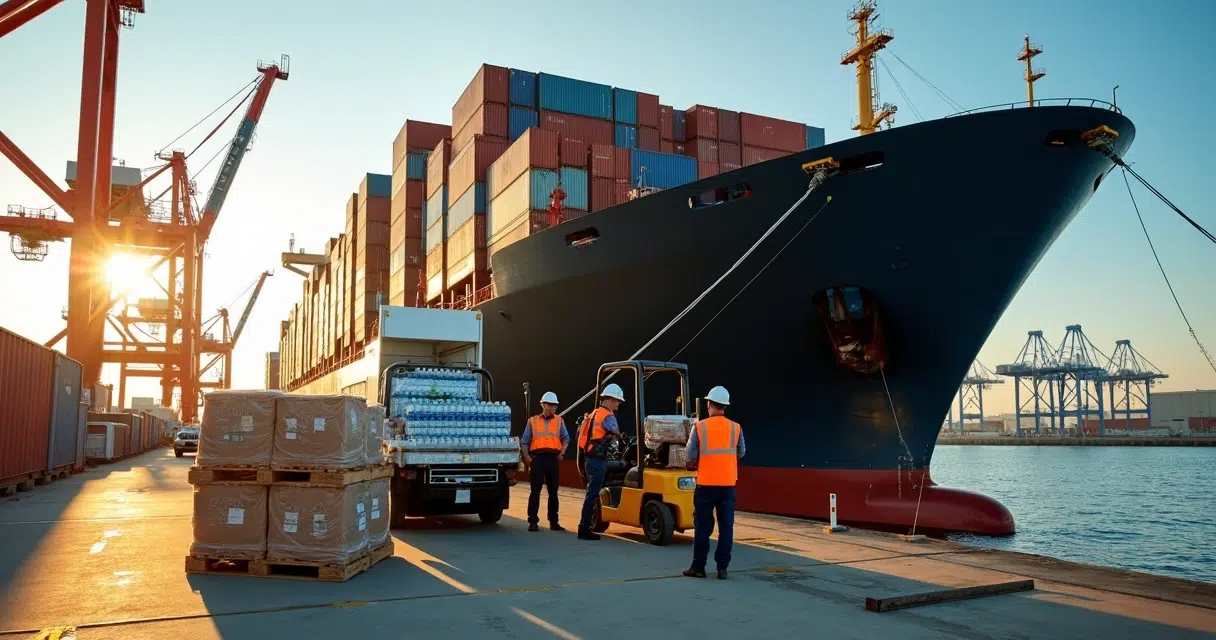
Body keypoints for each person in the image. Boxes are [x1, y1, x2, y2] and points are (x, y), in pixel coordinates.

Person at [682, 386, 745, 580]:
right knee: (726, 527)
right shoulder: (736, 428)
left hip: (706, 484)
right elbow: (741, 452)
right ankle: (722, 568)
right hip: (727, 485)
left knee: (702, 526)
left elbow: (690, 455)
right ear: (725, 406)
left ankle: (698, 567)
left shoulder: (699, 427)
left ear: (708, 404)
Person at [576, 383, 624, 540]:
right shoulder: (608, 417)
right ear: (609, 399)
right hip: (598, 459)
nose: (618, 405)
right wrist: (616, 438)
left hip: (588, 458)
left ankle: (586, 526)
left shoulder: (593, 414)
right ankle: (584, 528)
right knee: (593, 494)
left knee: (592, 493)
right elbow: (616, 434)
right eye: (617, 401)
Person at [520, 391, 570, 532]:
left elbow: (566, 438)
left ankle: (554, 522)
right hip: (538, 459)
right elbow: (524, 441)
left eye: (555, 406)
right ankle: (533, 521)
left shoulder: (559, 421)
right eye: (550, 405)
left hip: (552, 459)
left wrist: (562, 452)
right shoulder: (532, 421)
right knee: (535, 491)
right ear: (543, 405)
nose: (553, 408)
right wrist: (528, 459)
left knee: (553, 492)